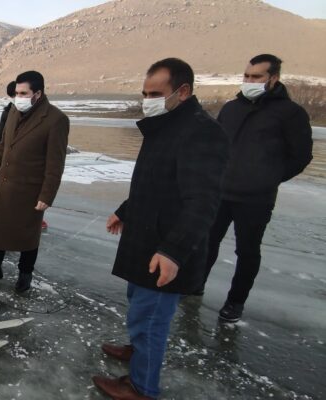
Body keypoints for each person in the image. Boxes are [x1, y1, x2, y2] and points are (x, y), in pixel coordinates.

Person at [93, 58, 229, 400]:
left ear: (182, 92)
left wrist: (173, 251)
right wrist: (124, 210)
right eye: (144, 92)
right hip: (145, 237)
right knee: (140, 308)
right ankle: (137, 351)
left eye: (156, 93)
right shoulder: (166, 125)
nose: (147, 99)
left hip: (165, 246)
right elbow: (154, 184)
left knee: (151, 319)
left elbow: (203, 202)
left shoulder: (201, 132)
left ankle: (142, 387)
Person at [201, 54, 313, 322]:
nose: (249, 81)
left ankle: (235, 302)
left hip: (256, 198)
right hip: (221, 192)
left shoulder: (291, 114)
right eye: (247, 76)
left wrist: (268, 178)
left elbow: (301, 156)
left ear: (273, 79)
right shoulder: (231, 108)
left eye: (256, 77)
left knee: (248, 251)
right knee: (206, 242)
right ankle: (193, 285)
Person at [0, 71, 69, 293]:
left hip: (30, 190)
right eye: (16, 93)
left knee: (28, 234)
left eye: (23, 93)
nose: (18, 97)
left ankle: (25, 274)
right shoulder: (14, 112)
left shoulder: (55, 119)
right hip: (6, 186)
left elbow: (55, 164)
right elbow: (4, 147)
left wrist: (47, 195)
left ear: (38, 93)